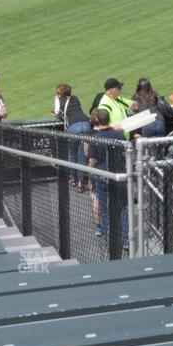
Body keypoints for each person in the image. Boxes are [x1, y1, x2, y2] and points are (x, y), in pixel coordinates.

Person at [86, 109, 127, 248]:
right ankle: (124, 239)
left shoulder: (95, 138)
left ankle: (112, 241)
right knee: (122, 207)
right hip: (120, 174)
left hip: (102, 176)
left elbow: (92, 161)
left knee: (105, 209)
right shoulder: (119, 135)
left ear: (97, 120)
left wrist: (90, 179)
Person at [55, 83, 91, 185]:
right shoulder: (75, 98)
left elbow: (58, 114)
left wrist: (52, 113)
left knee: (72, 152)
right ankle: (80, 182)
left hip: (73, 126)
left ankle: (73, 178)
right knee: (82, 154)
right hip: (85, 123)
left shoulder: (58, 100)